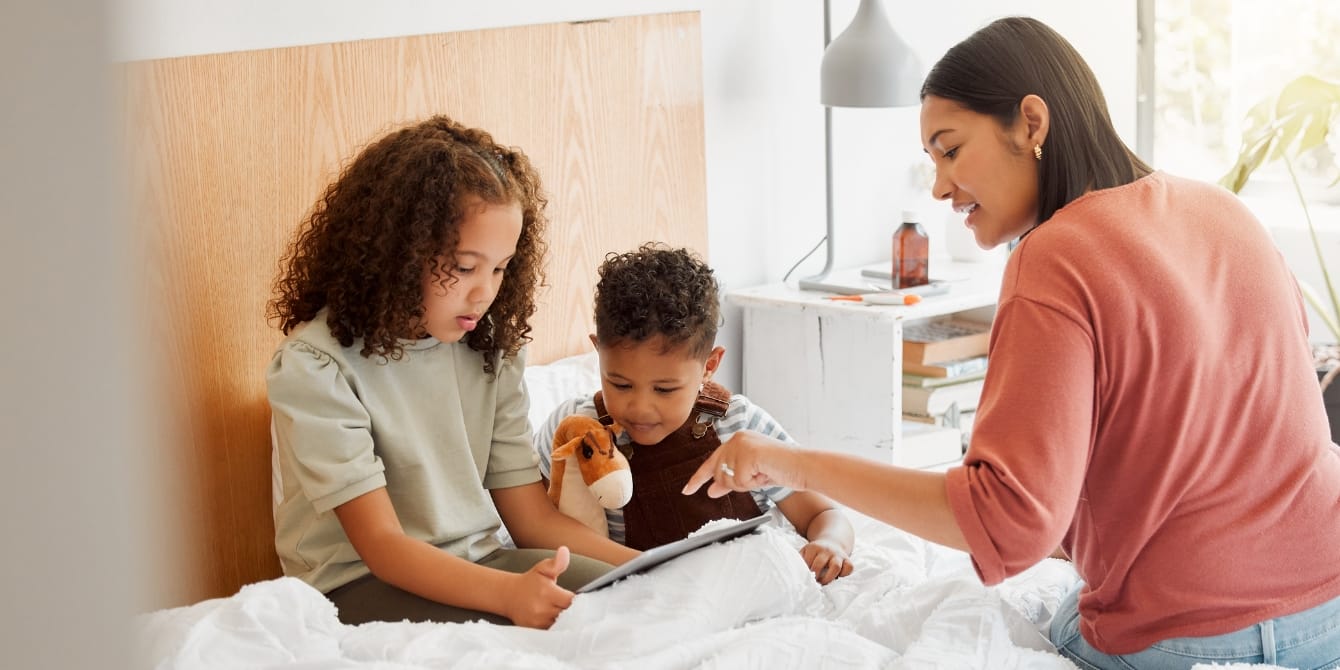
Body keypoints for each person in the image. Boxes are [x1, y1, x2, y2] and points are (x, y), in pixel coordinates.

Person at [685, 16, 1340, 669]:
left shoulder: (1053, 258)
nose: (939, 186)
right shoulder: (1224, 210)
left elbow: (1007, 525)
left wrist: (791, 462)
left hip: (1184, 636)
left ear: (1031, 123)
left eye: (950, 149)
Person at [266, 115, 639, 630]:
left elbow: (531, 520)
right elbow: (383, 548)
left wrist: (651, 568)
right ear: (397, 255)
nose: (485, 292)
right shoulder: (317, 367)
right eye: (464, 267)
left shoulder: (491, 352)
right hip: (357, 587)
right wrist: (508, 595)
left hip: (483, 562)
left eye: (500, 267)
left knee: (636, 602)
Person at [534, 244, 855, 585]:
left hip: (737, 590)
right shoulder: (573, 431)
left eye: (665, 389)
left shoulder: (741, 428)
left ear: (709, 366)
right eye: (621, 384)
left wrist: (829, 543)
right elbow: (538, 522)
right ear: (598, 352)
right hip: (637, 602)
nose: (640, 408)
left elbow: (823, 513)